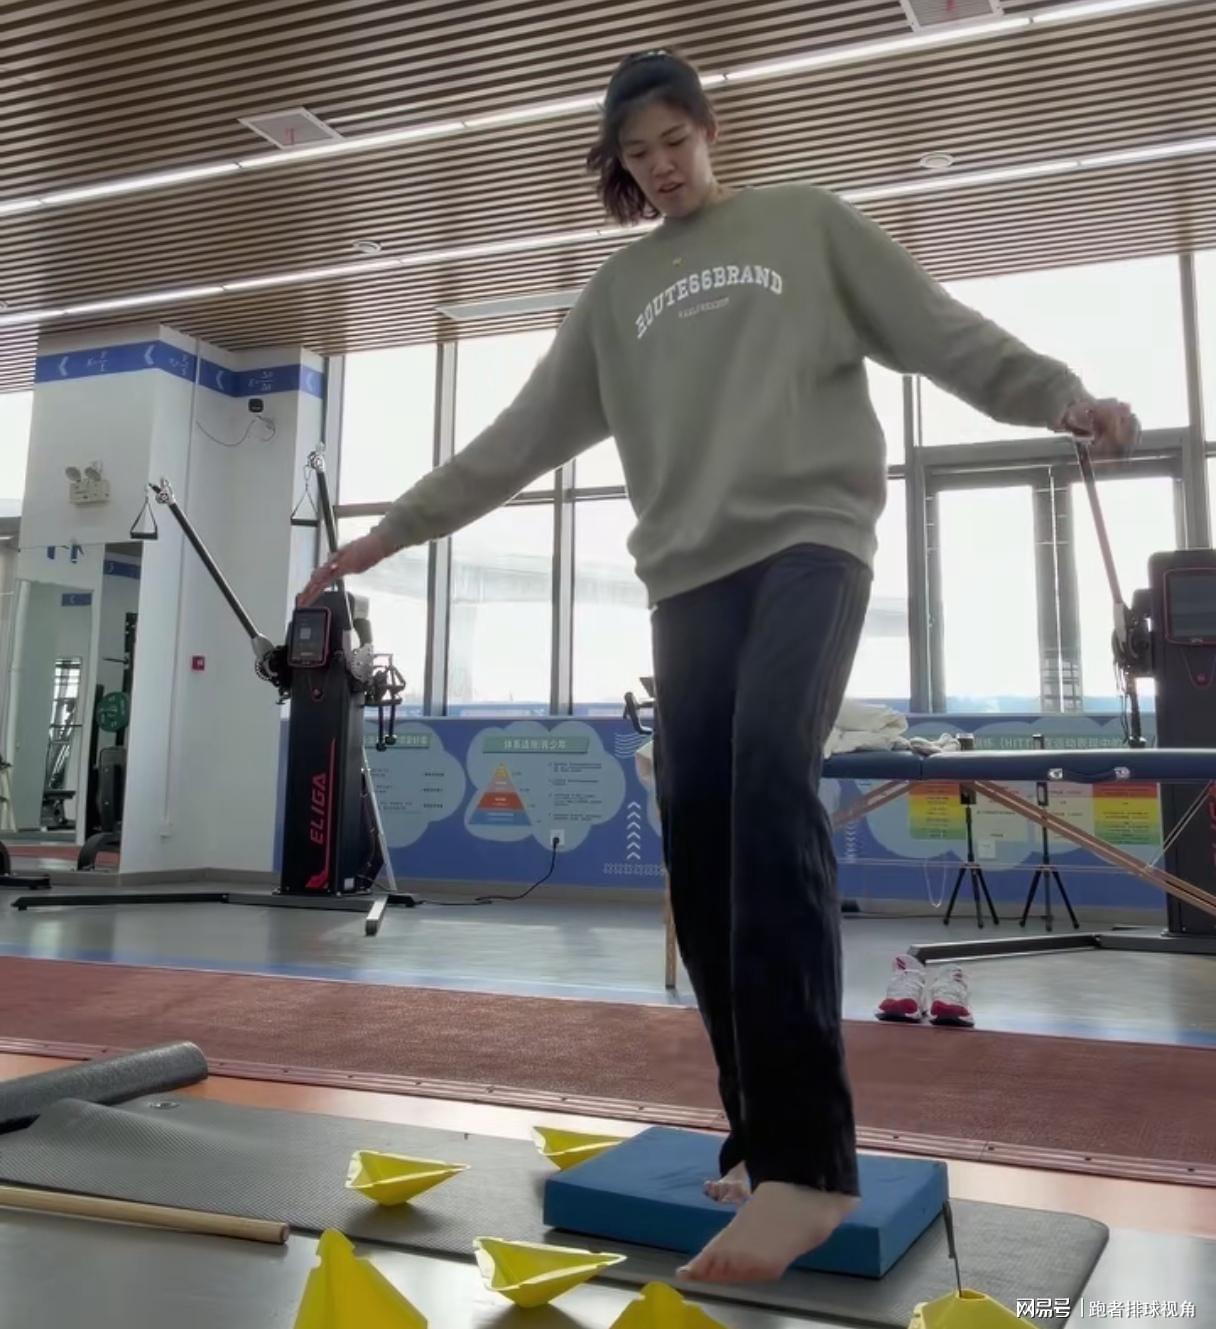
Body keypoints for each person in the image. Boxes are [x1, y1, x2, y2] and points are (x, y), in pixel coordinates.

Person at [299, 50, 1139, 1283]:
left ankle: (809, 1169)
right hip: (686, 582)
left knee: (763, 783)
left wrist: (1061, 395)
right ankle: (756, 1132)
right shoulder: (618, 294)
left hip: (810, 546)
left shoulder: (804, 225)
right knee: (696, 840)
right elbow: (513, 441)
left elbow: (940, 332)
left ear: (709, 130)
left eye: (673, 141)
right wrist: (384, 535)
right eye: (635, 155)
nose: (660, 167)